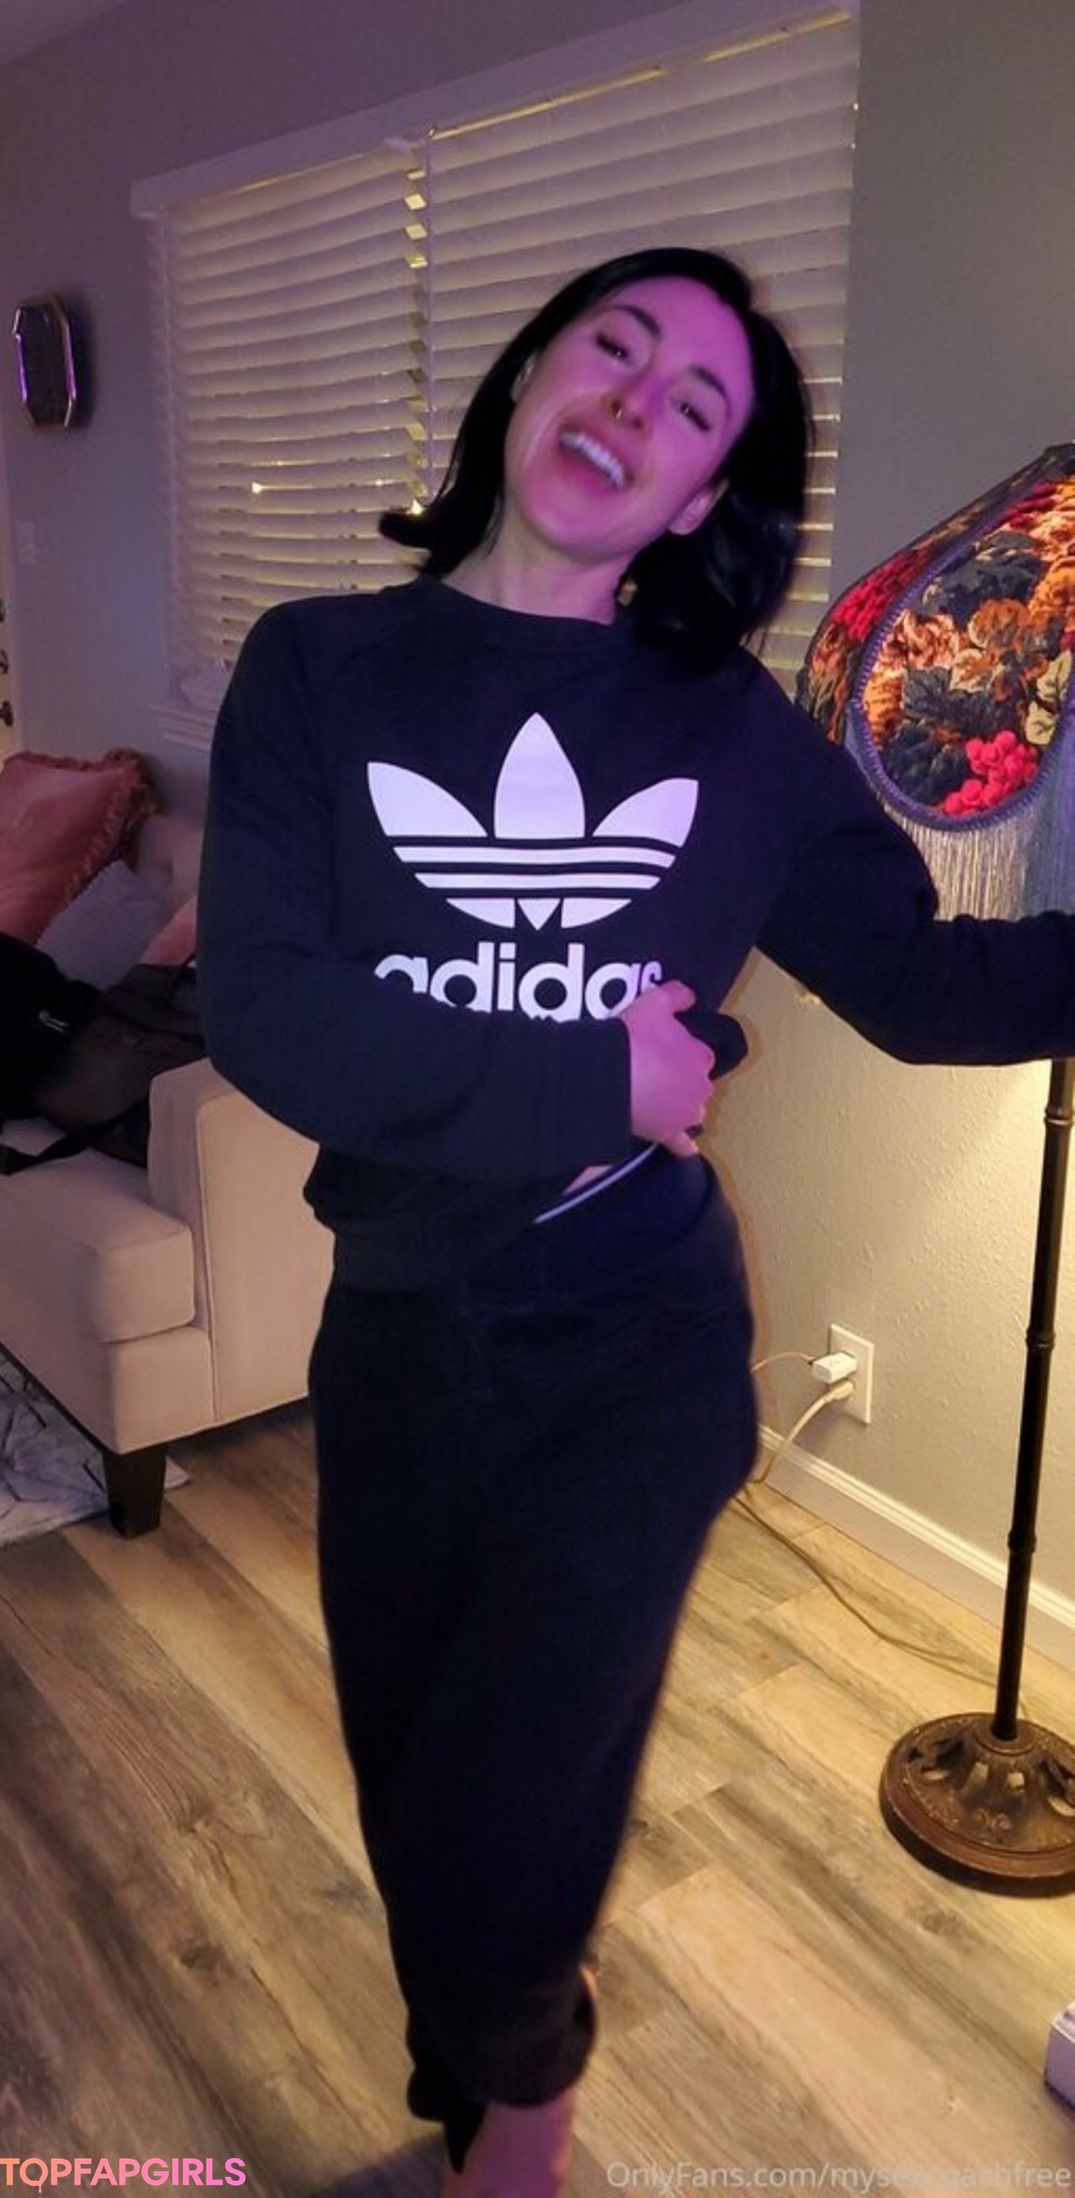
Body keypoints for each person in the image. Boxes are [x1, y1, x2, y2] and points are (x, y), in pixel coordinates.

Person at [198, 244, 1075, 2196]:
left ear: (698, 501)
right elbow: (268, 1009)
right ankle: (484, 2069)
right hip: (399, 1328)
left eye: (695, 407)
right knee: (417, 1799)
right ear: (527, 374)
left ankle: (524, 2125)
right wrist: (598, 1076)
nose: (633, 402)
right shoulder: (318, 668)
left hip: (632, 1349)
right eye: (613, 348)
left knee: (503, 1841)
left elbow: (922, 987)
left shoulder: (733, 734)